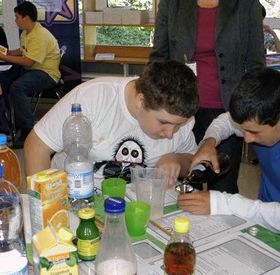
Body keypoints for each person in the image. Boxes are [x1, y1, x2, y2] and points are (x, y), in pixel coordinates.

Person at [149, 0, 266, 195]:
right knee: (180, 180)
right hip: (179, 109)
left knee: (221, 183)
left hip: (228, 109)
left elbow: (256, 63)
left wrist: (249, 108)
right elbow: (158, 58)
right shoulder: (172, 1)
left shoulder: (246, 2)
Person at [178, 67, 280, 235]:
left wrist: (221, 203)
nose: (247, 139)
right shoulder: (261, 122)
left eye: (254, 132)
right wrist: (209, 142)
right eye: (245, 131)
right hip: (262, 228)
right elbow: (226, 121)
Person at [24, 60, 199, 186]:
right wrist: (46, 205)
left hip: (138, 204)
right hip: (77, 194)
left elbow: (191, 162)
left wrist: (176, 159)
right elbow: (37, 145)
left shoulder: (178, 117)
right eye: (164, 123)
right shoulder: (94, 97)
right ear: (141, 101)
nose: (170, 133)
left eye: (179, 125)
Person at [0, 1, 61, 143]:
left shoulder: (40, 35)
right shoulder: (27, 32)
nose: (15, 20)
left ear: (26, 18)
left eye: (17, 17)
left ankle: (28, 128)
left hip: (46, 74)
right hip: (33, 70)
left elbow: (28, 61)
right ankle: (6, 124)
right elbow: (23, 51)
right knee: (3, 80)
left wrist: (3, 56)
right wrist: (7, 52)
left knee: (16, 87)